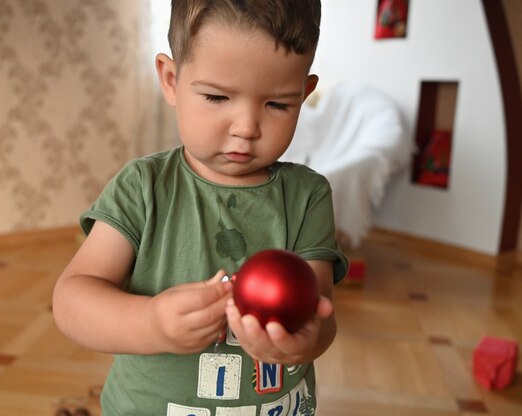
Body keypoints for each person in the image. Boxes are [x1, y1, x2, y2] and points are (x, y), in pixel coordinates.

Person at [52, 0, 348, 414]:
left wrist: (305, 340)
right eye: (216, 96)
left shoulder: (308, 195)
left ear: (304, 92)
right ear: (171, 80)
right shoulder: (144, 187)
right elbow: (71, 300)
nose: (246, 127)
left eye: (278, 104)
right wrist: (151, 323)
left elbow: (321, 314)